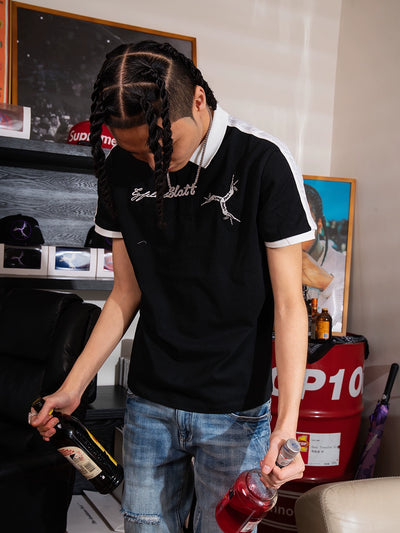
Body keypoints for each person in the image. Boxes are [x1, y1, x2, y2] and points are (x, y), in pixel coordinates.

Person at [31, 41, 316, 532]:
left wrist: (286, 426)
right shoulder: (121, 168)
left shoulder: (261, 161)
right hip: (151, 404)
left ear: (199, 100)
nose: (152, 163)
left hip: (234, 409)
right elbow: (125, 293)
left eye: (163, 147)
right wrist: (72, 387)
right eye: (136, 151)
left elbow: (291, 307)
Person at [302, 183, 346, 332]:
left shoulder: (343, 266)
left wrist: (326, 283)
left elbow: (340, 326)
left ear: (319, 224)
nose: (295, 234)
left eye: (304, 222)